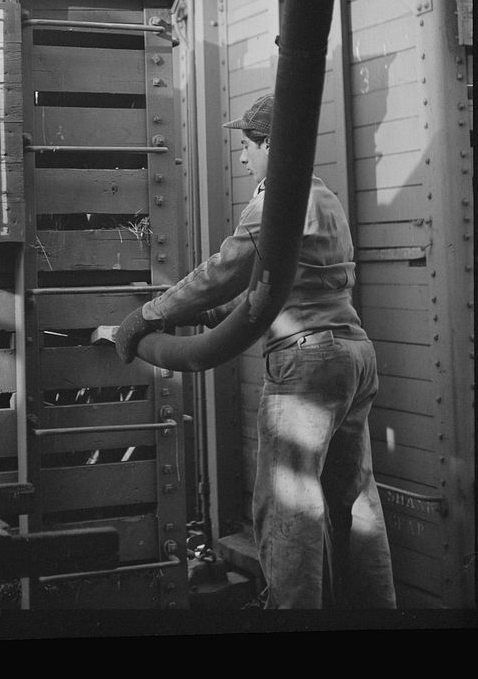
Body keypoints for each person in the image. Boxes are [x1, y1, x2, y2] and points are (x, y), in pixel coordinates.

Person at [114, 93, 397, 609]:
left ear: (272, 146)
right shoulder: (325, 197)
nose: (243, 158)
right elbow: (286, 289)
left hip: (306, 367)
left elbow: (226, 270)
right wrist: (210, 317)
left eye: (248, 145)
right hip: (353, 355)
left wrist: (149, 316)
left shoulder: (278, 202)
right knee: (355, 502)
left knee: (288, 508)